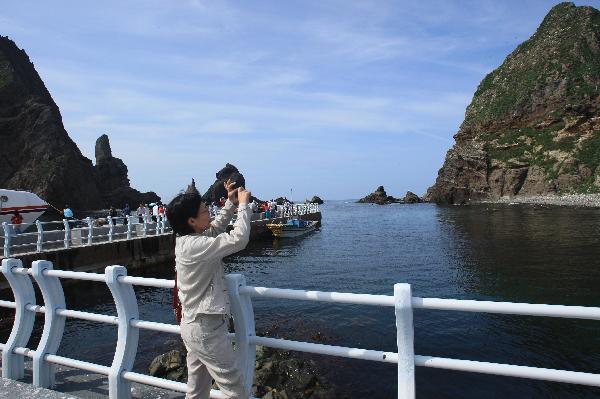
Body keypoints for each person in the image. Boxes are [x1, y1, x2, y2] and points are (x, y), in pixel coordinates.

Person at [167, 179, 252, 399]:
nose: (209, 213)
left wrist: (230, 205)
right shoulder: (195, 246)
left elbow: (214, 229)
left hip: (195, 326)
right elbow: (239, 239)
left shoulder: (188, 240)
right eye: (205, 210)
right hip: (206, 330)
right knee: (236, 390)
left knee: (197, 391)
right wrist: (243, 206)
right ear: (192, 220)